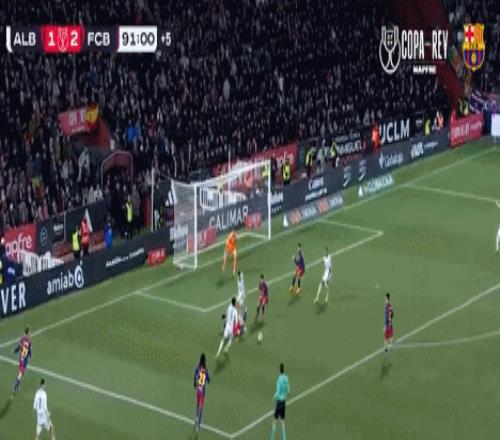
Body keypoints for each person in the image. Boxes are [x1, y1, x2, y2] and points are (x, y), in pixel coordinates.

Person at [270, 362, 290, 440]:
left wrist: (273, 397)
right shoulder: (286, 378)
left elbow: (278, 392)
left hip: (279, 402)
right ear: (283, 369)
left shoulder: (278, 379)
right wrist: (287, 394)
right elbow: (289, 389)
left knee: (274, 420)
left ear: (279, 370)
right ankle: (284, 438)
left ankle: (271, 438)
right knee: (282, 420)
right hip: (284, 401)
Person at [12, 326, 32, 397]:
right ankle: (15, 386)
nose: (30, 333)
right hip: (24, 360)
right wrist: (30, 356)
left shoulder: (22, 338)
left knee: (21, 373)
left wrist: (15, 350)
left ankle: (17, 386)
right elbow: (29, 350)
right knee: (20, 374)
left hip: (21, 359)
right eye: (29, 332)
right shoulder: (29, 340)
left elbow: (19, 346)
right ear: (28, 332)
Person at [193, 353, 210, 433]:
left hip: (198, 389)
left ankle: (196, 416)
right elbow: (209, 380)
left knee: (197, 403)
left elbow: (195, 375)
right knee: (201, 407)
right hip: (202, 391)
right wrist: (207, 380)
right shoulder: (205, 370)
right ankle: (198, 425)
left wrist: (194, 383)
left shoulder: (198, 368)